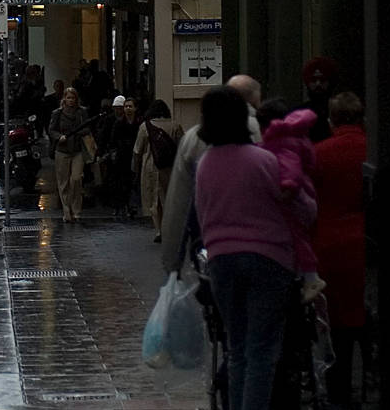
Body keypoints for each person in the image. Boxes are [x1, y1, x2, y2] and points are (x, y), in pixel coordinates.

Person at [195, 85, 314, 410]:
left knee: (237, 348)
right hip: (268, 259)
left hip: (221, 261)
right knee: (263, 350)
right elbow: (303, 210)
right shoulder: (263, 161)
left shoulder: (206, 166)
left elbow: (201, 215)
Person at [161, 75, 263, 274]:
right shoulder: (268, 131)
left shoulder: (194, 139)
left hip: (213, 244)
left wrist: (172, 262)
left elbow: (178, 204)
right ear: (255, 99)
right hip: (263, 246)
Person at [313, 91, 368, 410]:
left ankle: (339, 402)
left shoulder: (320, 153)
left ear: (331, 120)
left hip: (330, 251)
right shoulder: (371, 150)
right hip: (368, 250)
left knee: (337, 333)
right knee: (369, 329)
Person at [258, 99, 323, 300]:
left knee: (297, 238)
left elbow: (290, 174)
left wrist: (282, 193)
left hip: (296, 201)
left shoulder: (281, 142)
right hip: (305, 197)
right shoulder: (294, 138)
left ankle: (311, 278)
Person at [133, 99, 183, 242]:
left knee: (154, 199)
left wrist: (135, 169)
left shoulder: (145, 127)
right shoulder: (175, 126)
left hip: (150, 166)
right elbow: (182, 147)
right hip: (170, 166)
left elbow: (137, 150)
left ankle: (158, 230)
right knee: (168, 196)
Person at [47, 84, 94, 222]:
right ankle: (67, 211)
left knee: (76, 179)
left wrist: (77, 134)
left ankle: (76, 209)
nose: (71, 100)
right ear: (64, 99)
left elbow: (87, 128)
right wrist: (58, 137)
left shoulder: (82, 112)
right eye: (68, 98)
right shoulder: (57, 114)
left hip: (78, 149)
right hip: (62, 150)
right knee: (63, 182)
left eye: (73, 98)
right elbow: (51, 130)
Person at [100, 95, 140, 220]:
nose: (127, 109)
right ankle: (120, 206)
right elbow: (111, 139)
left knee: (132, 182)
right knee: (120, 182)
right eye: (126, 106)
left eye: (130, 106)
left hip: (133, 155)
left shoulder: (139, 123)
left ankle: (130, 205)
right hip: (121, 156)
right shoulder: (117, 123)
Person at [300, 57, 340, 144]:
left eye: (322, 80)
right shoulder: (299, 113)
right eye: (314, 80)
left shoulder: (338, 111)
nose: (318, 84)